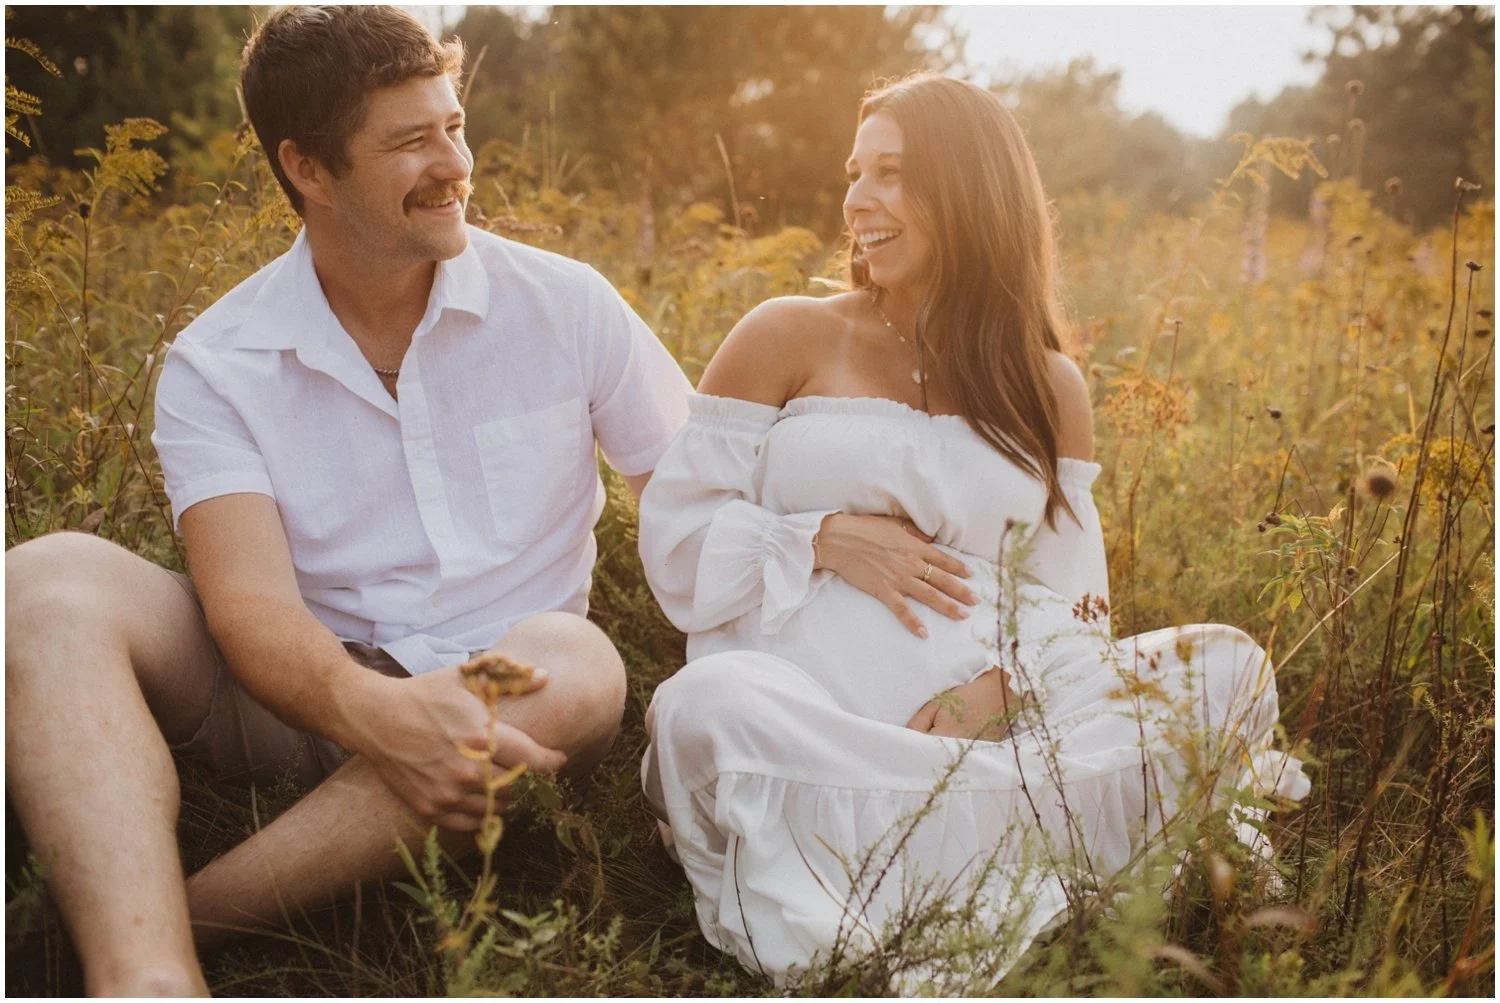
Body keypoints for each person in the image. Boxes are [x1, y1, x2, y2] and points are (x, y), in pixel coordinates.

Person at [4, 6, 691, 996]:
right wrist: (374, 711)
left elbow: (703, 495)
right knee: (46, 576)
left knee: (580, 661)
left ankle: (189, 914)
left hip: (492, 697)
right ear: (309, 171)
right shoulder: (219, 360)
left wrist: (841, 528)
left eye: (452, 126)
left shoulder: (566, 303)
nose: (454, 162)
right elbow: (248, 609)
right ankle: (143, 975)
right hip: (288, 692)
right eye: (412, 142)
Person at [637, 74, 1308, 987]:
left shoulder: (1047, 383)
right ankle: (1030, 851)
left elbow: (1075, 601)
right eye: (855, 171)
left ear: (973, 192)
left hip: (1000, 729)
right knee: (702, 713)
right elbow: (677, 537)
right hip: (811, 717)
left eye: (892, 174)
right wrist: (821, 536)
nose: (857, 200)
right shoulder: (787, 333)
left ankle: (941, 841)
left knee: (1228, 668)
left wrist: (991, 696)